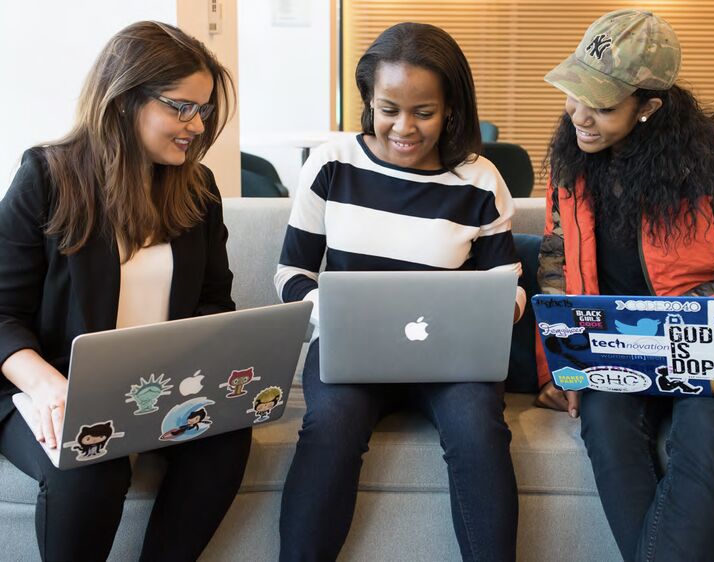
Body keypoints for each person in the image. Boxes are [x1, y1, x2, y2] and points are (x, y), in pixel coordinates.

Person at [535, 9, 714, 561]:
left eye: (601, 105)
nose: (579, 114)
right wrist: (560, 367)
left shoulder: (713, 163)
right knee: (604, 424)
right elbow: (556, 264)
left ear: (648, 107)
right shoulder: (569, 163)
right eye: (574, 93)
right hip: (618, 353)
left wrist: (677, 318)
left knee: (699, 433)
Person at [0, 21, 251, 561]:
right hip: (47, 392)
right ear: (123, 100)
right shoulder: (46, 177)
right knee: (94, 459)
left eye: (204, 109)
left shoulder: (198, 188)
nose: (196, 124)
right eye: (181, 107)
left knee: (226, 440)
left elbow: (214, 303)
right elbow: (1, 313)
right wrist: (47, 387)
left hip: (157, 390)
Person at [275, 22, 525, 562]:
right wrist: (332, 311)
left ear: (452, 107)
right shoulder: (332, 163)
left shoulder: (479, 181)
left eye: (424, 112)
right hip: (350, 352)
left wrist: (504, 303)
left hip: (452, 358)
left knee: (479, 431)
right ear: (369, 101)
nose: (403, 128)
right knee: (329, 428)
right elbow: (291, 273)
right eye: (388, 109)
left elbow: (506, 280)